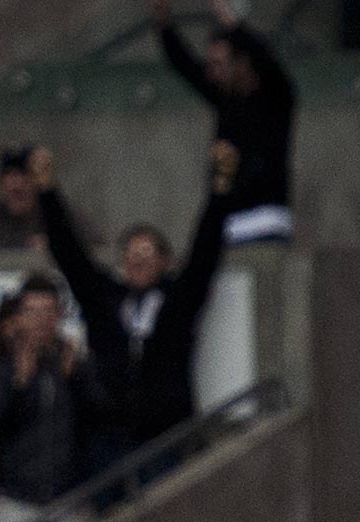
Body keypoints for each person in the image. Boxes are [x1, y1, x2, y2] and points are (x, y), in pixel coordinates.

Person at [33, 142, 237, 458]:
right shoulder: (106, 298)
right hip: (110, 438)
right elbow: (70, 254)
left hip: (168, 436)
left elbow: (204, 253)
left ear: (165, 262)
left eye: (147, 254)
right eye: (131, 255)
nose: (137, 262)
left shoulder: (177, 302)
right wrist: (47, 192)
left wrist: (220, 190)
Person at [152, 0, 294, 245]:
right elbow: (185, 65)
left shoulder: (276, 98)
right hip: (229, 220)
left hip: (265, 218)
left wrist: (231, 22)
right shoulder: (225, 99)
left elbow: (265, 59)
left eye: (219, 64)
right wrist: (163, 21)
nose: (212, 73)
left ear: (242, 63)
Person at [0, 278, 108, 522]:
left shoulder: (73, 361)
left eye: (48, 311)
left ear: (59, 315)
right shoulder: (4, 366)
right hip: (17, 499)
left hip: (68, 499)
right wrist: (18, 385)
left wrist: (75, 379)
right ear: (20, 317)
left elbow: (99, 416)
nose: (40, 319)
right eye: (32, 311)